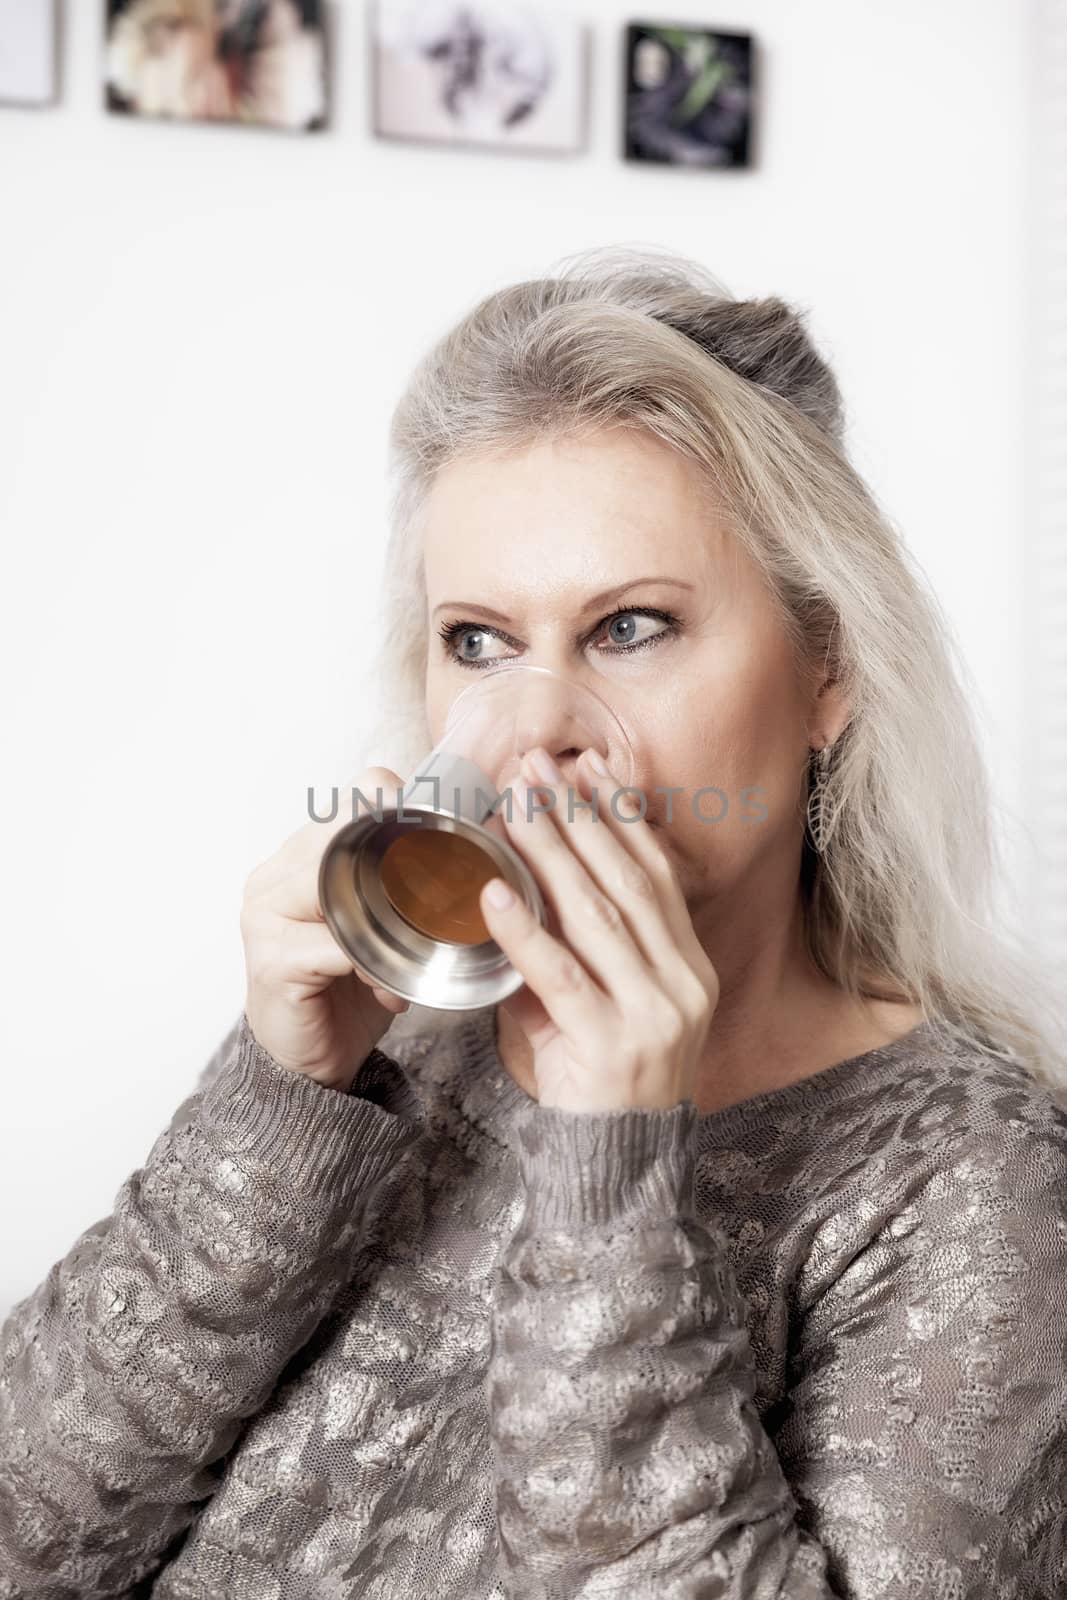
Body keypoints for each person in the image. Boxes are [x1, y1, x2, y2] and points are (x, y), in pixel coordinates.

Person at [2, 246, 1065, 1598]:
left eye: (630, 627)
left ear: (828, 672)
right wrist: (274, 1115)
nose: (535, 731)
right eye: (480, 643)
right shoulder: (402, 1052)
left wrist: (614, 1175)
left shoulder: (976, 1180)